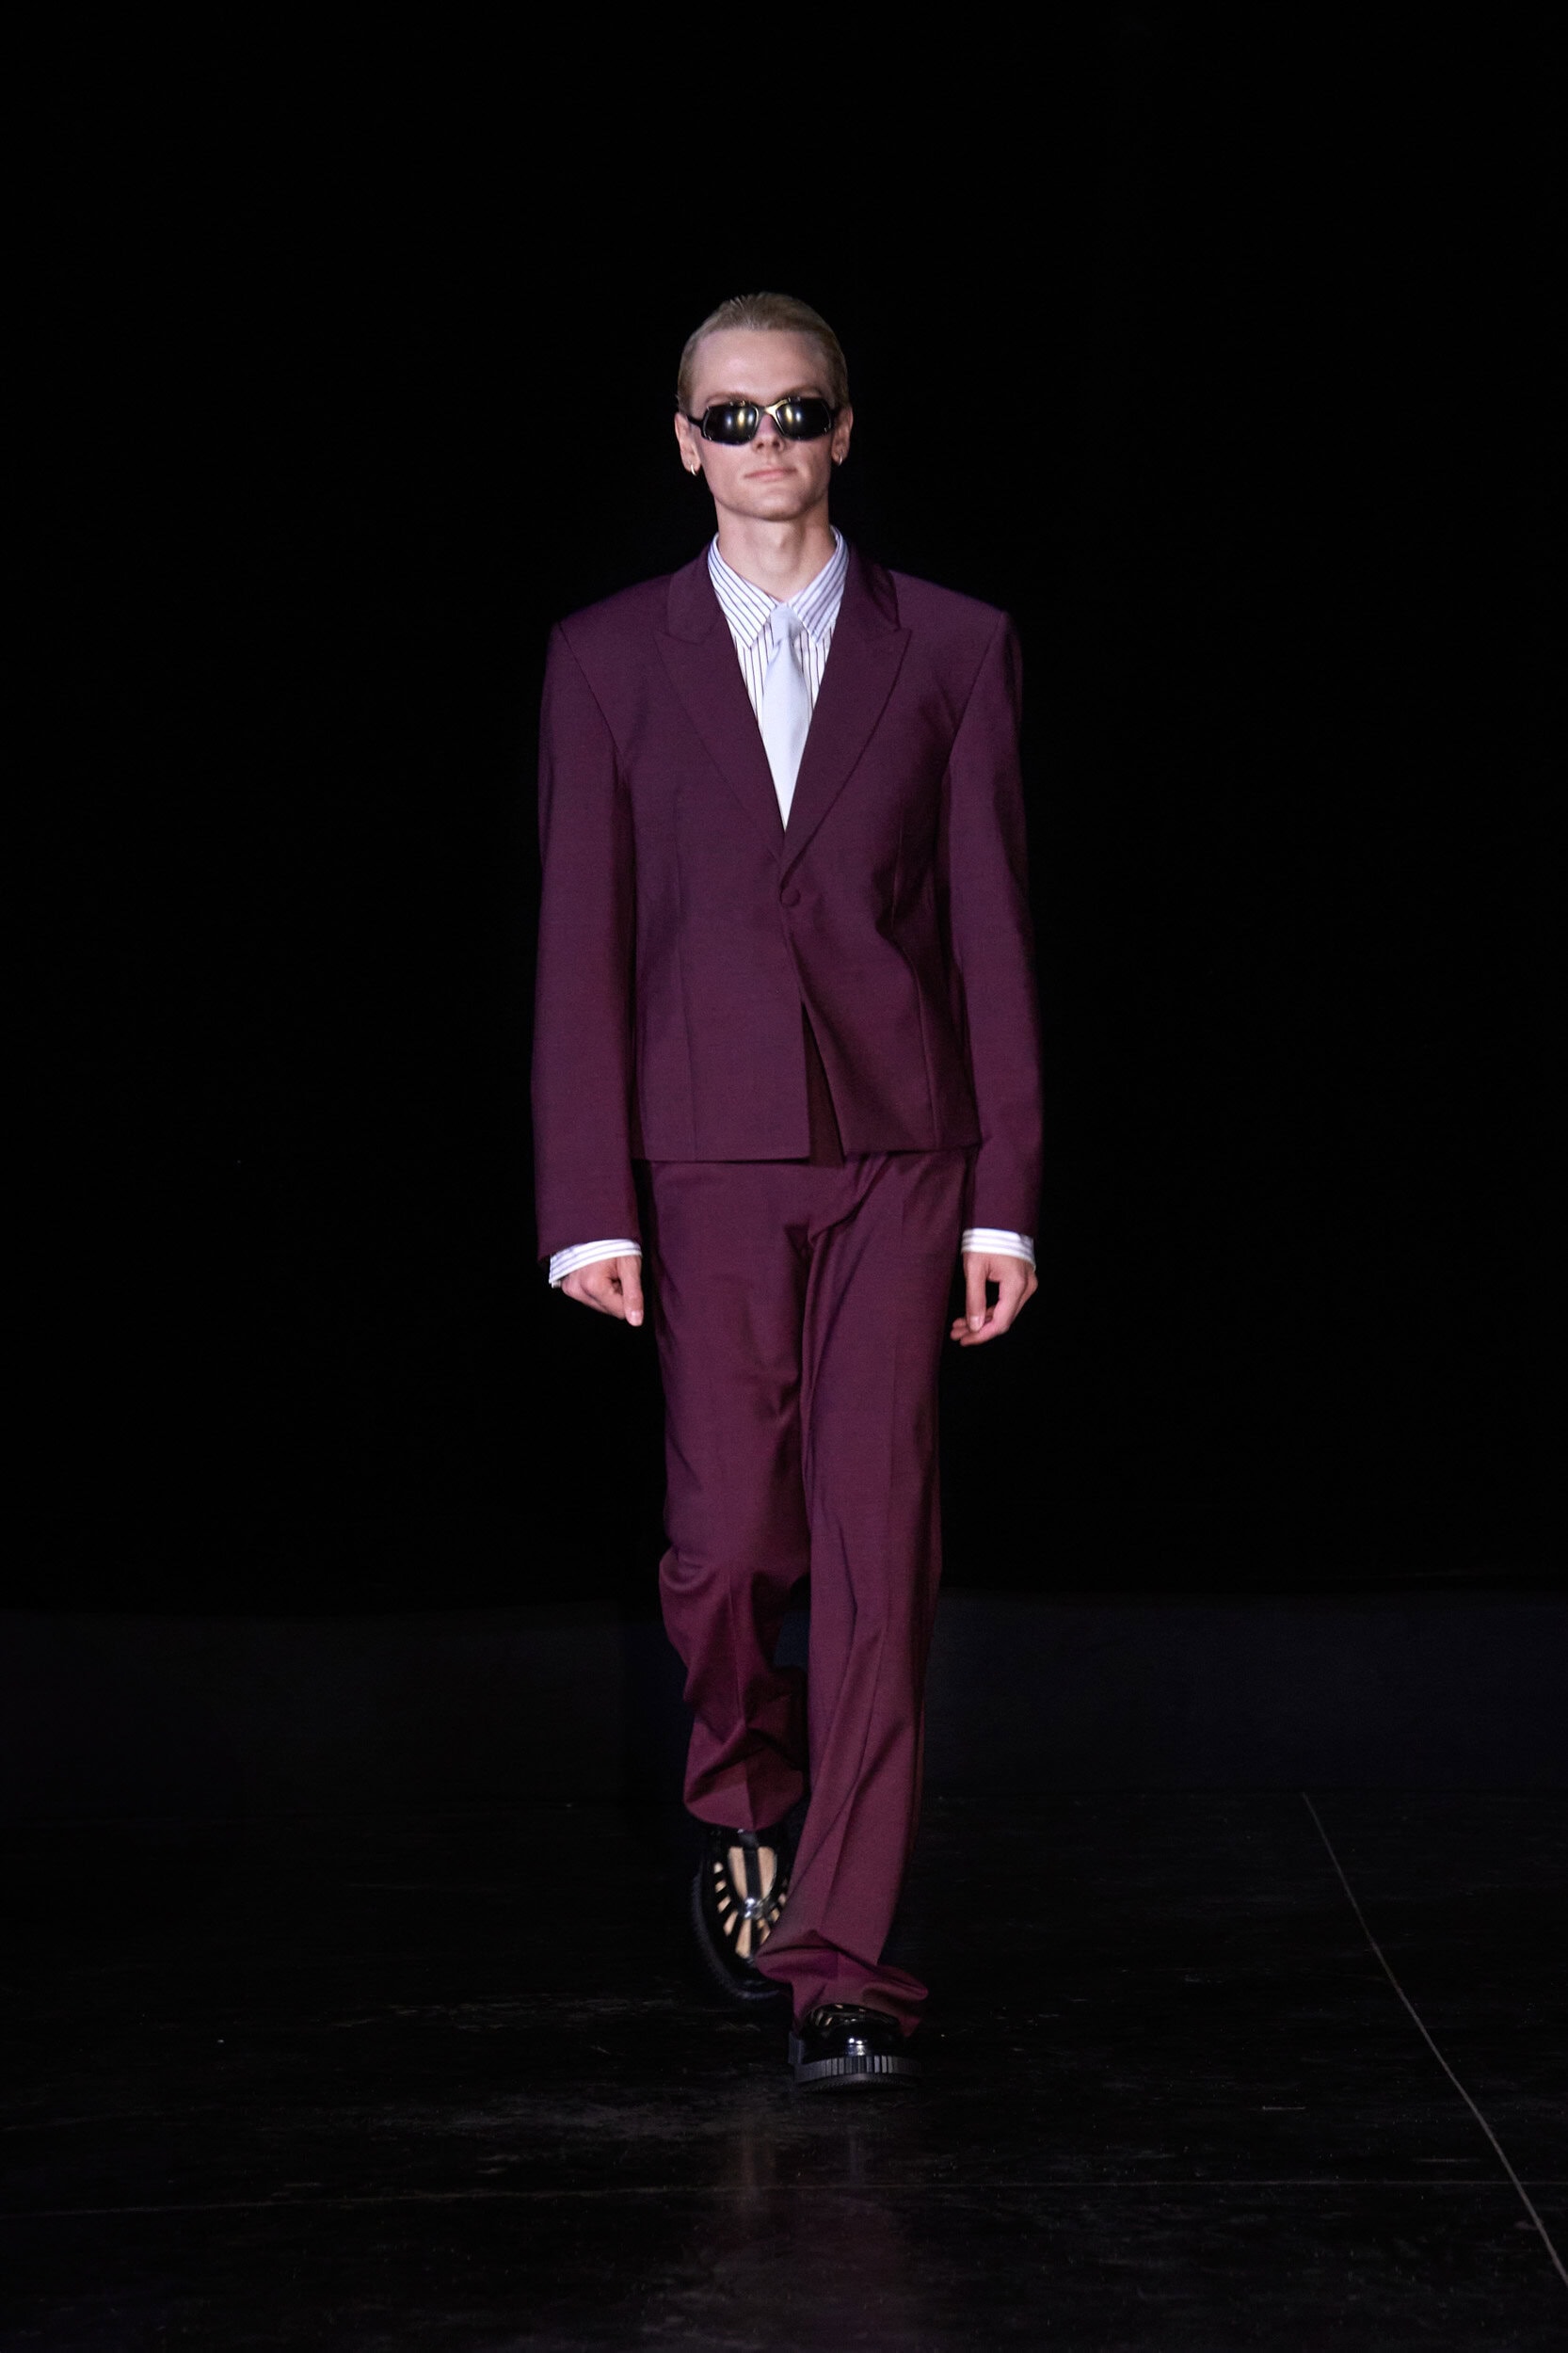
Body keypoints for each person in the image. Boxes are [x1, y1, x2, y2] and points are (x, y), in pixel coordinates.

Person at [531, 293, 1042, 2090]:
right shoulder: (607, 657)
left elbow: (990, 929)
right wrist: (587, 1201)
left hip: (905, 1153)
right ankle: (746, 1804)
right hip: (704, 1156)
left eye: (795, 411)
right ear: (685, 444)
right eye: (731, 418)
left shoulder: (955, 646)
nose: (767, 443)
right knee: (731, 1540)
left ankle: (844, 1957)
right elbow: (581, 939)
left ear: (843, 429)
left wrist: (1003, 1200)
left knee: (879, 1548)